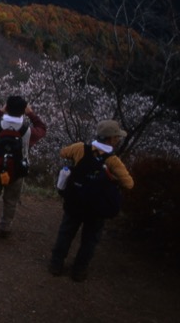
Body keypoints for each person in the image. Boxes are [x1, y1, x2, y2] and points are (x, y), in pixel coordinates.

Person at [48, 119, 134, 282]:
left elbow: (63, 152)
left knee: (66, 232)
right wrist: (113, 177)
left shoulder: (80, 148)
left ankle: (56, 264)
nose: (118, 140)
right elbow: (129, 184)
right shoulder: (113, 161)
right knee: (90, 239)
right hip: (97, 207)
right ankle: (79, 271)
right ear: (111, 139)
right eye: (117, 137)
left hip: (75, 200)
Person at [0, 95, 47, 243]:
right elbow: (42, 129)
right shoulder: (27, 131)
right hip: (17, 170)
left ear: (6, 108)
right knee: (11, 200)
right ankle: (5, 229)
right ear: (23, 111)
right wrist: (31, 114)